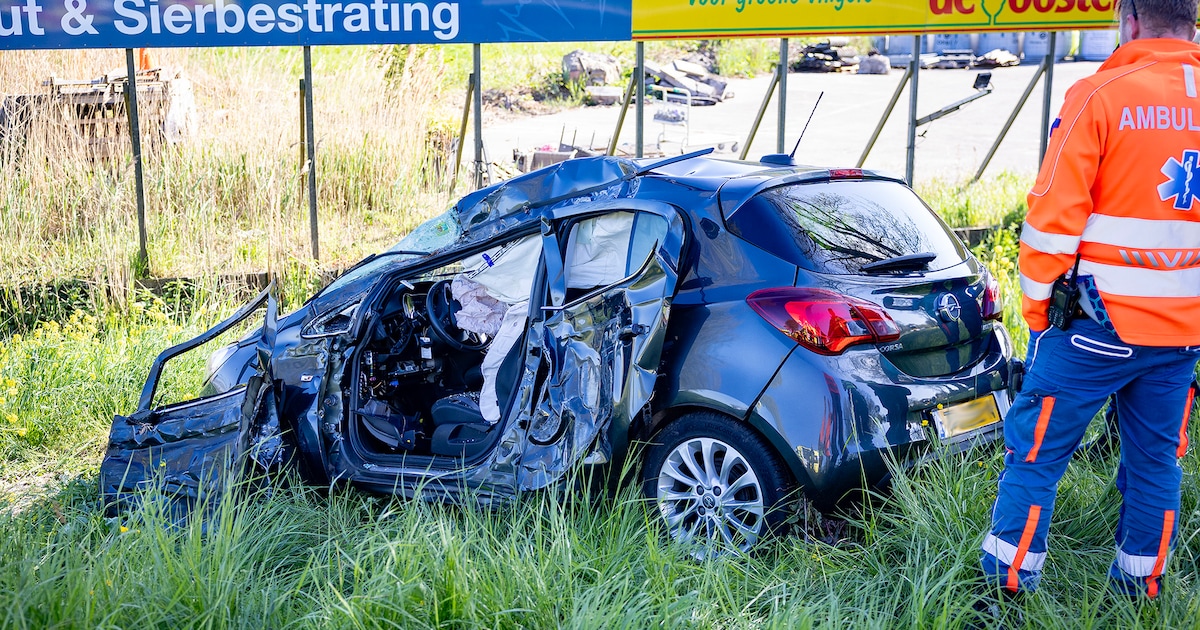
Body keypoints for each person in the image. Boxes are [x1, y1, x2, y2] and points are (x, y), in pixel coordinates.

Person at [980, 0, 1200, 600]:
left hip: (1093, 329)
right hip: (1182, 335)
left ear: (1129, 19)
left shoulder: (1100, 94)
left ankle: (1005, 589)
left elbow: (1051, 223)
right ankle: (1142, 592)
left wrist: (1036, 314)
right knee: (1157, 465)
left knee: (1036, 457)